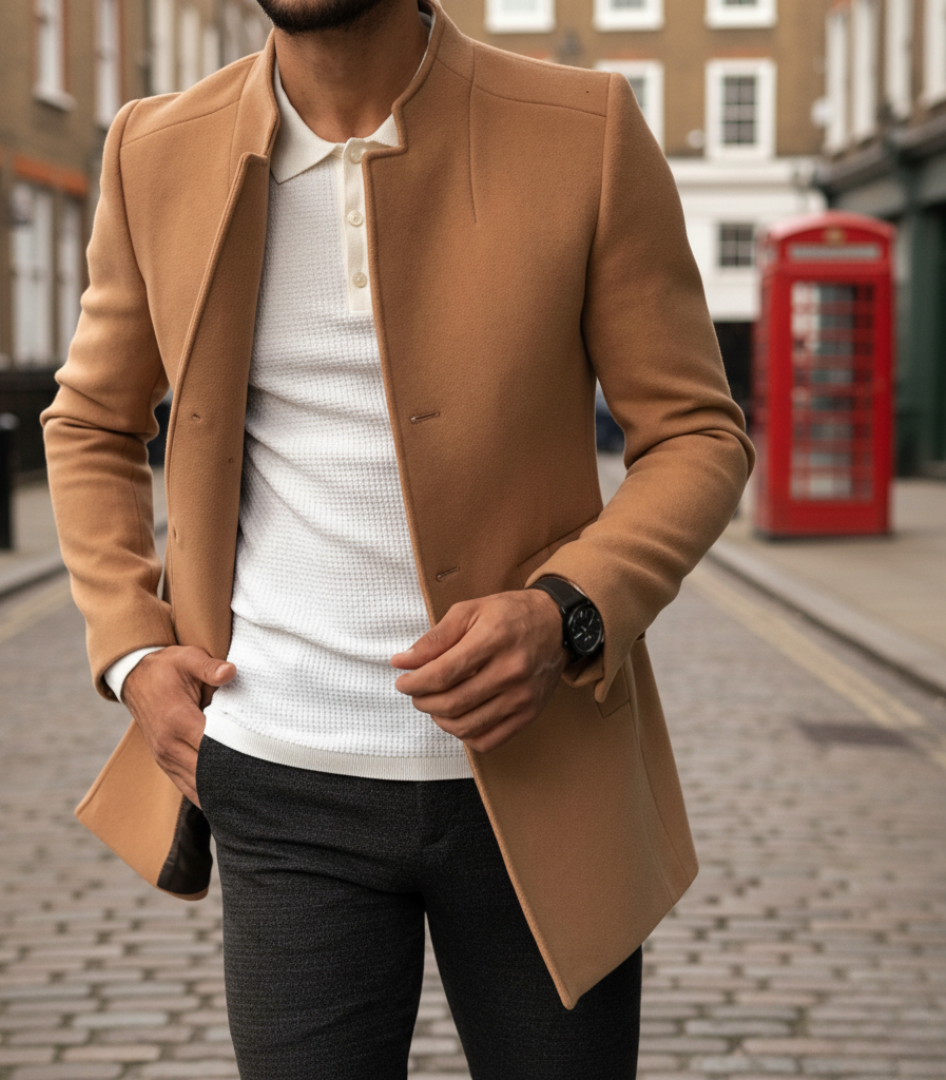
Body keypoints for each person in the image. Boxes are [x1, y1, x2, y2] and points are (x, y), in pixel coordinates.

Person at [42, 0, 754, 1073]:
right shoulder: (155, 147)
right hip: (278, 778)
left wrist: (565, 613)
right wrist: (133, 652)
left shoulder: (587, 127)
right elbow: (90, 422)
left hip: (542, 775)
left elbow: (698, 433)